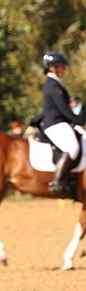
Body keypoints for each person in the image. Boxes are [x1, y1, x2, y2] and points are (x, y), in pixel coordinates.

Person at [40, 51, 82, 196]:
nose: (64, 70)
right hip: (55, 123)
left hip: (59, 122)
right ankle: (57, 182)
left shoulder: (55, 84)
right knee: (73, 148)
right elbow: (64, 109)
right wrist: (80, 121)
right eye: (62, 67)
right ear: (53, 68)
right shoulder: (53, 86)